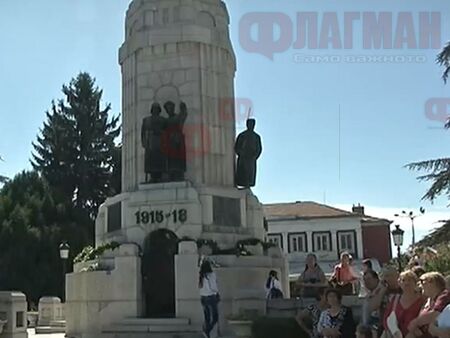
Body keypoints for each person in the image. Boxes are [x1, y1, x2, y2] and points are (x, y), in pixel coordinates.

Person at [406, 272, 450, 338]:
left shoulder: (444, 296)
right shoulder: (428, 301)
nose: (419, 285)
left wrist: (415, 322)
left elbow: (435, 314)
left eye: (422, 281)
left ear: (432, 282)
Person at [382, 270, 424, 338]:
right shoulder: (395, 299)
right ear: (399, 283)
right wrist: (390, 331)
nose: (406, 283)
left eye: (410, 280)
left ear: (415, 282)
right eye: (403, 280)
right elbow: (386, 318)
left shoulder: (421, 300)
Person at [234, 118, 262, 188]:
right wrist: (241, 153)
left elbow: (259, 149)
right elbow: (237, 147)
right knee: (243, 174)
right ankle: (243, 184)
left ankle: (248, 184)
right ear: (247, 125)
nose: (251, 126)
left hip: (251, 159)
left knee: (250, 174)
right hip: (243, 158)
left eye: (252, 124)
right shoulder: (242, 135)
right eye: (249, 124)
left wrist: (254, 156)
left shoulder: (256, 137)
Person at [198, 260, 220, 338]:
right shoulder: (211, 275)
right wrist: (217, 293)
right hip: (211, 297)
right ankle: (207, 330)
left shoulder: (201, 276)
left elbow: (200, 287)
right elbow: (213, 287)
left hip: (203, 297)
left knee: (207, 317)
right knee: (215, 317)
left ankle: (206, 333)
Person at [362, 270, 384, 335]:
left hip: (378, 328)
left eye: (369, 279)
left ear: (376, 279)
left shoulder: (382, 291)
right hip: (367, 328)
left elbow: (375, 306)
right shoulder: (369, 294)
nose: (366, 282)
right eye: (364, 280)